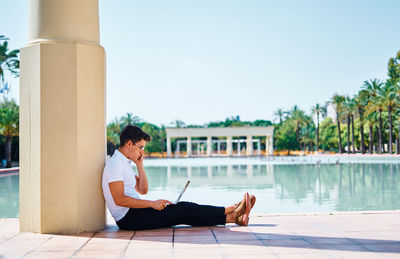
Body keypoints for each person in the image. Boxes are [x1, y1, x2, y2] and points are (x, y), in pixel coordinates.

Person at [102, 125, 256, 230]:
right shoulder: (115, 164)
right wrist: (152, 204)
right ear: (129, 143)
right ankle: (232, 208)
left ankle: (232, 218)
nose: (142, 151)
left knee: (183, 213)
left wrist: (140, 166)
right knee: (184, 209)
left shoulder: (125, 164)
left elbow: (142, 190)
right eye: (140, 147)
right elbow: (119, 199)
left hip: (135, 214)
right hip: (128, 219)